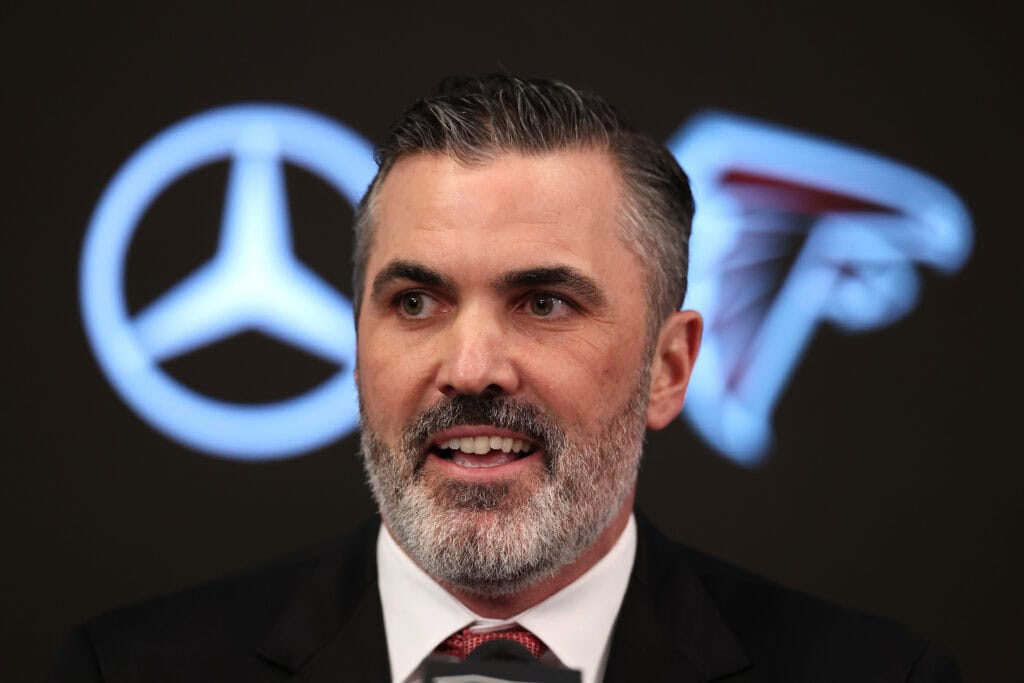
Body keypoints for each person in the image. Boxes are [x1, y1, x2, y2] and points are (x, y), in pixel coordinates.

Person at [49, 74, 961, 682]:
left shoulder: (880, 674)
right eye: (415, 302)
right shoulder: (124, 668)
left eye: (545, 303)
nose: (471, 367)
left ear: (668, 366)